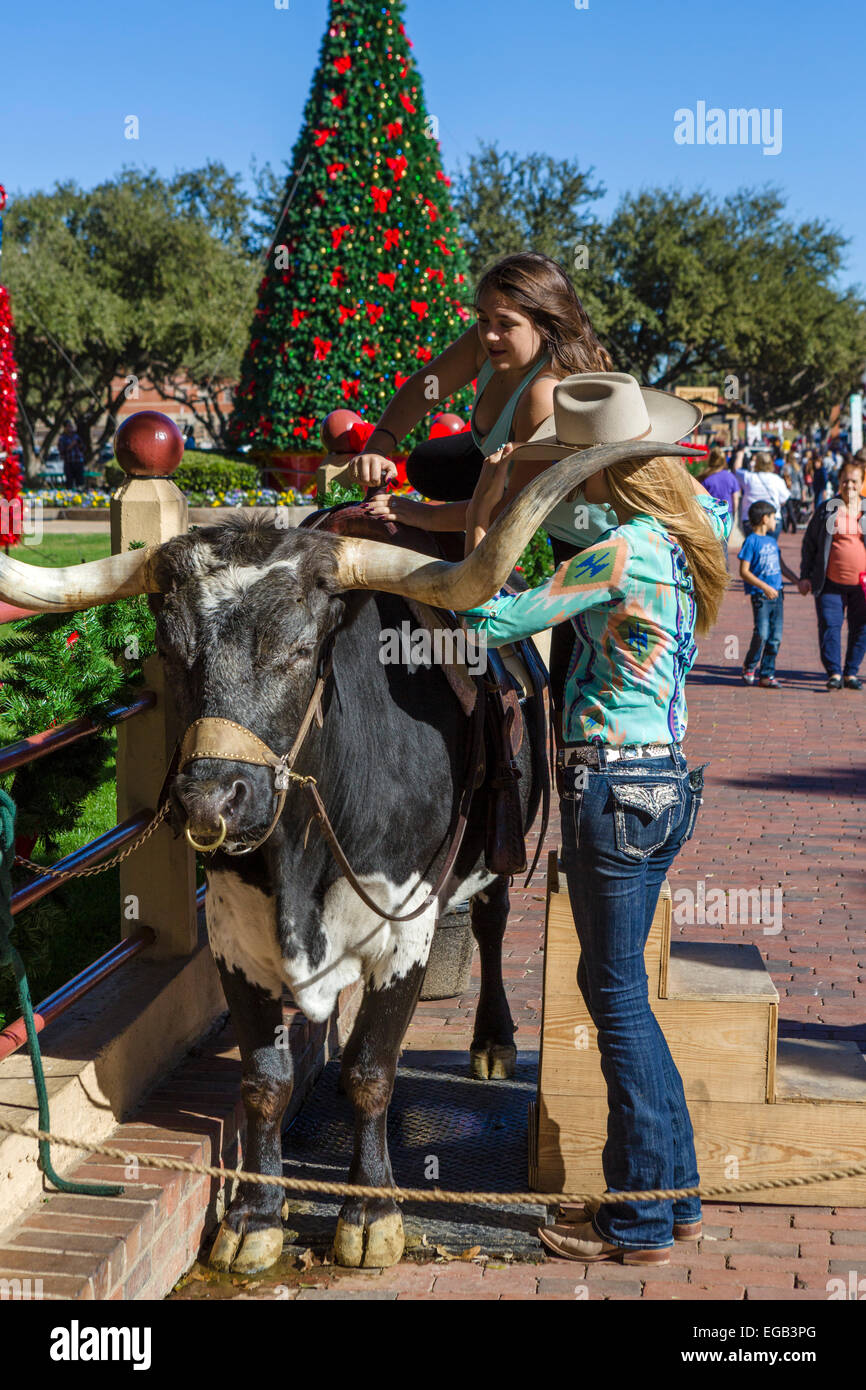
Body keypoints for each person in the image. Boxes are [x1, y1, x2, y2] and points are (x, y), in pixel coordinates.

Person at [455, 372, 730, 1264]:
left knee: (615, 1001)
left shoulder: (620, 552)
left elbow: (497, 614)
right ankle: (669, 1196)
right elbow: (572, 555)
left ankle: (641, 1216)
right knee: (624, 1000)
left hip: (611, 788)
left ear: (601, 469)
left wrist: (490, 506)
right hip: (661, 787)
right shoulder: (689, 534)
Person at [347, 250, 613, 728]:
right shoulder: (487, 346)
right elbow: (423, 387)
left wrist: (418, 515)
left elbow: (511, 515)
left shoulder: (543, 393)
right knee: (427, 463)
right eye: (483, 318)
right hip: (513, 481)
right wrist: (379, 444)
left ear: (544, 323)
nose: (489, 333)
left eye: (505, 323)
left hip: (591, 539)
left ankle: (574, 778)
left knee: (576, 690)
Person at [799, 458, 866, 690]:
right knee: (830, 625)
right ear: (839, 482)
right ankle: (834, 672)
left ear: (863, 481)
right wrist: (805, 575)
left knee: (861, 627)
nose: (850, 486)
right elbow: (810, 544)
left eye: (854, 481)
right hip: (829, 582)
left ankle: (851, 672)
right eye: (845, 481)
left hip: (862, 587)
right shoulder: (828, 509)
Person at [739, 501, 801, 688]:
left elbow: (781, 566)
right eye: (774, 517)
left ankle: (767, 674)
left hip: (778, 597)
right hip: (761, 596)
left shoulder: (772, 541)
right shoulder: (751, 541)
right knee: (762, 633)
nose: (776, 521)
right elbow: (744, 571)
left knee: (776, 637)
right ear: (765, 519)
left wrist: (797, 581)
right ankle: (749, 667)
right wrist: (764, 587)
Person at [740, 453, 789, 538]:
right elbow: (784, 500)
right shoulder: (777, 479)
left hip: (751, 519)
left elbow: (736, 469)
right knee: (769, 547)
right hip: (772, 519)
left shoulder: (748, 477)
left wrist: (740, 453)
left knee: (752, 547)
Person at [700, 448, 740, 524]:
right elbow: (735, 499)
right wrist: (734, 514)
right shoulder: (730, 477)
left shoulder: (705, 477)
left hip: (710, 515)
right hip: (726, 514)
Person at [57, 420, 86, 489]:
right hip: (69, 462)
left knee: (80, 481)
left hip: (78, 461)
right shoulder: (62, 438)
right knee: (69, 482)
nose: (70, 428)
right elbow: (62, 451)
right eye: (68, 426)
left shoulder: (76, 436)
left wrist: (80, 445)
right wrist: (71, 445)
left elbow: (83, 448)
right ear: (65, 428)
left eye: (71, 426)